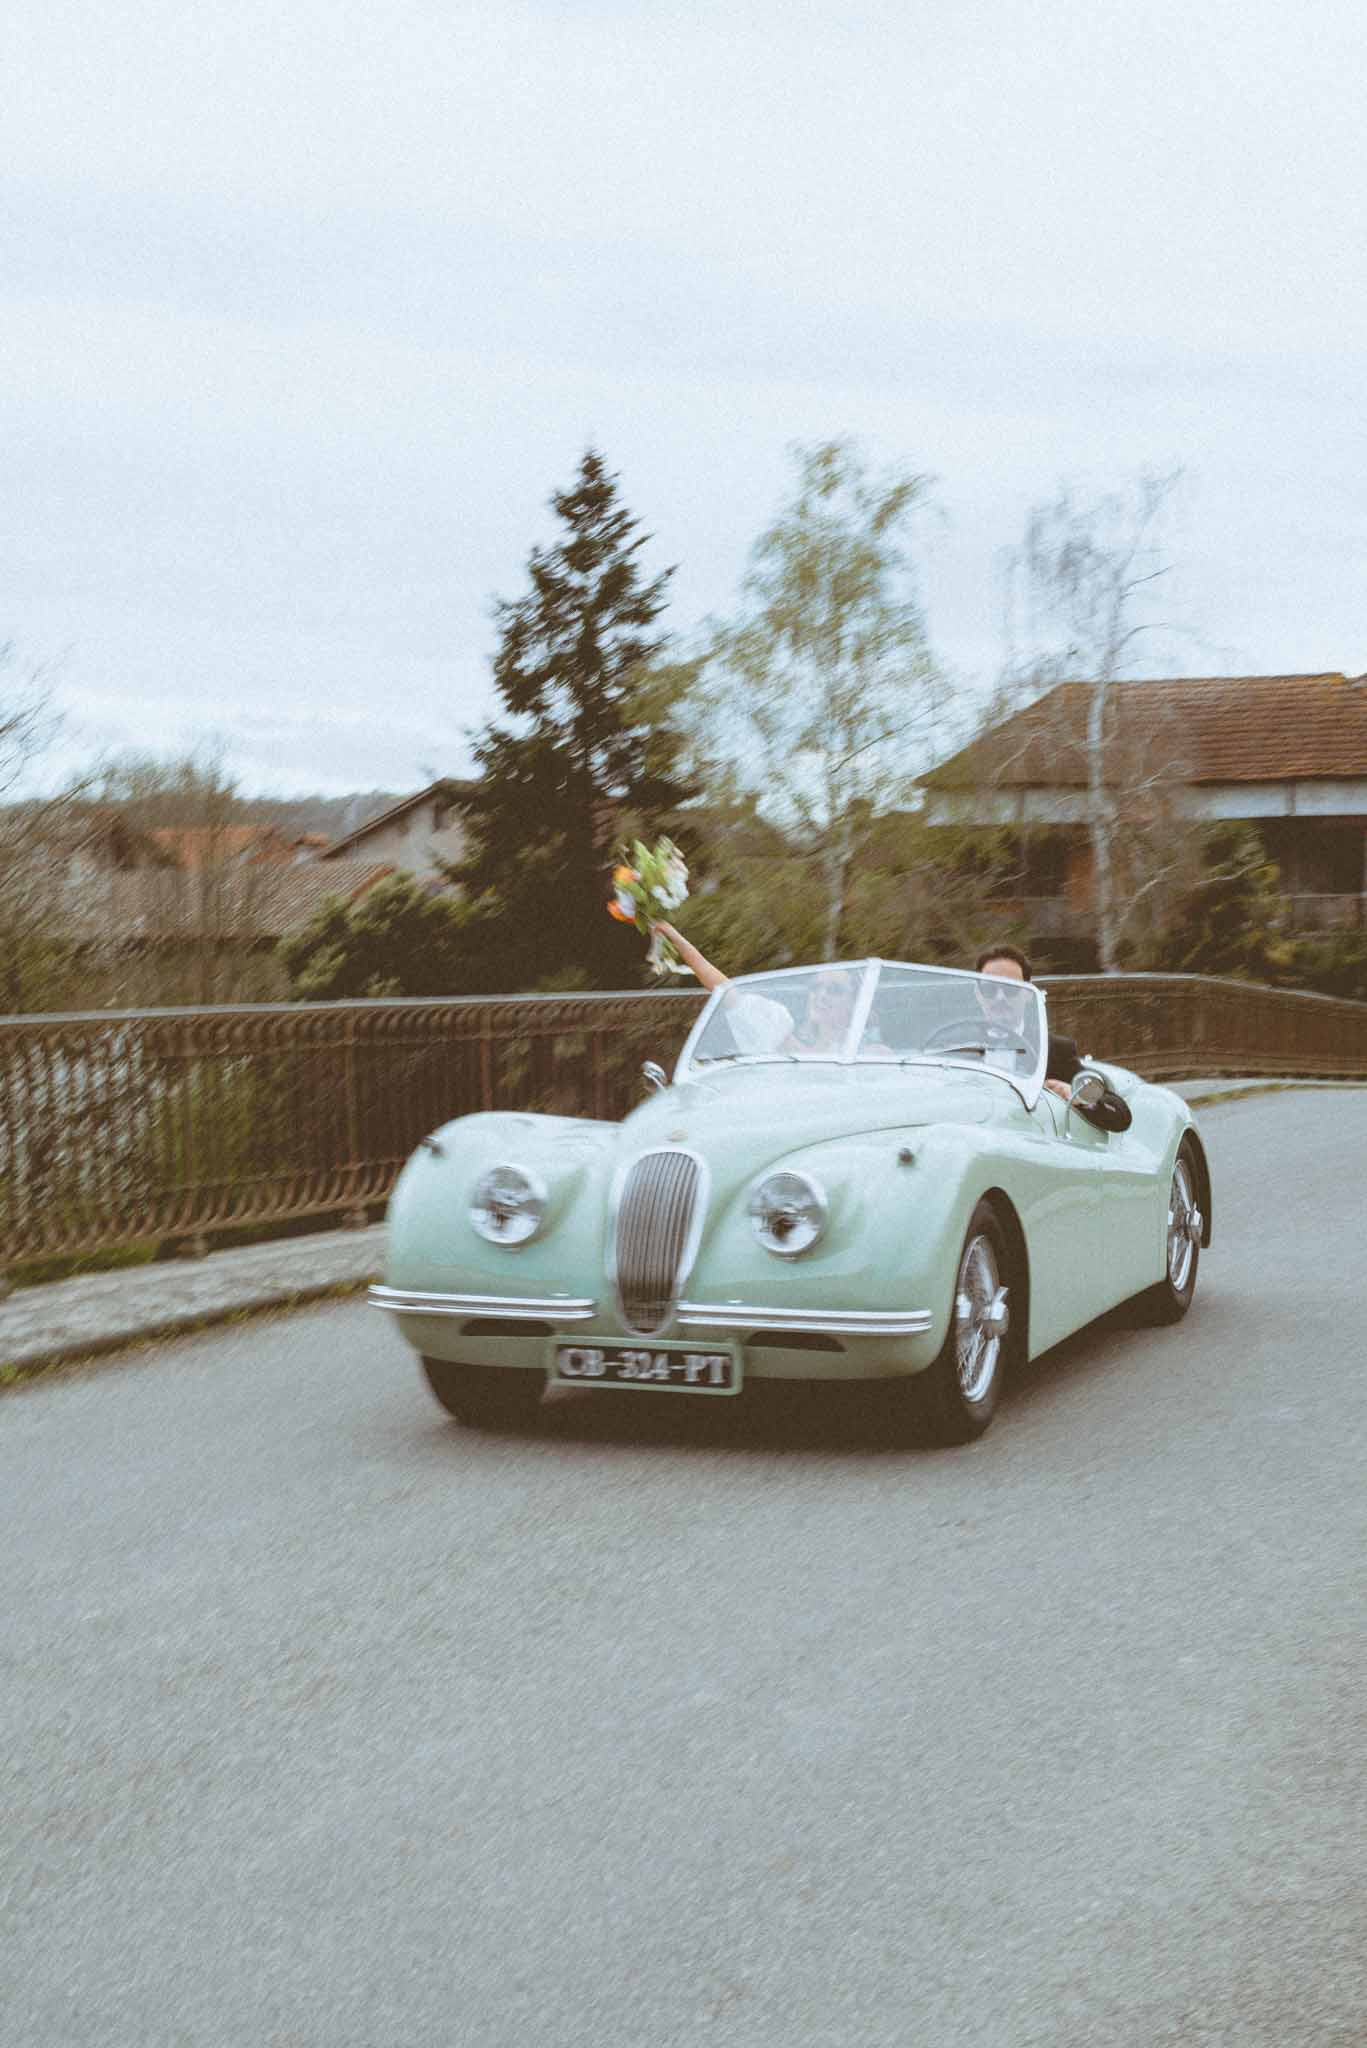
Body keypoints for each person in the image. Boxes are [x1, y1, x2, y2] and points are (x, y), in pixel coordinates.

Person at [974, 943, 1133, 1132]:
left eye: (1010, 989)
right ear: (978, 994)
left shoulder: (1054, 1049)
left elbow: (1120, 1115)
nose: (1000, 997)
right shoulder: (950, 1047)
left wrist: (1076, 1095)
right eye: (990, 989)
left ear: (1027, 994)